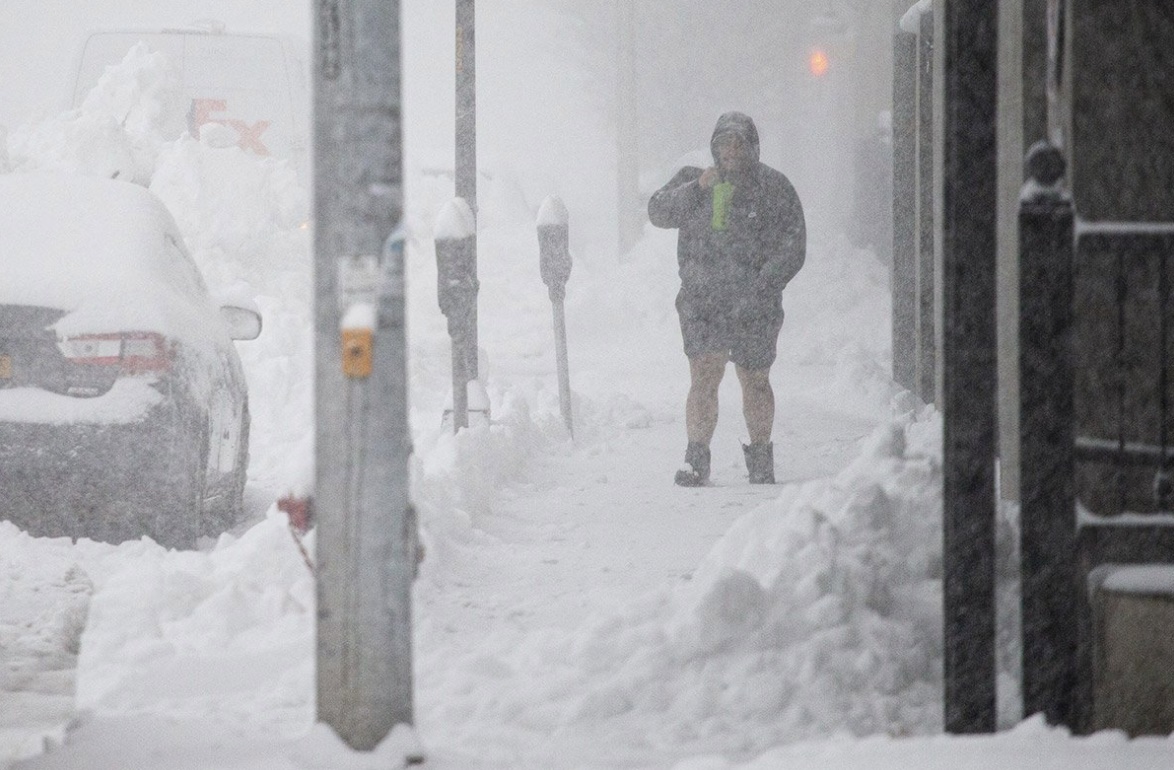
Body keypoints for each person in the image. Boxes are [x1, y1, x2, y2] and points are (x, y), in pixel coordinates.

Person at [648, 111, 805, 486]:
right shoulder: (694, 180)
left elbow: (794, 245)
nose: (731, 151)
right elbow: (657, 211)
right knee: (704, 377)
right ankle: (696, 459)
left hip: (755, 304)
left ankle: (761, 457)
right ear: (714, 147)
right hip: (703, 301)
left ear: (753, 147)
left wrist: (764, 284)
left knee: (755, 380)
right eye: (724, 143)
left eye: (739, 143)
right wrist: (698, 188)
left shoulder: (773, 187)